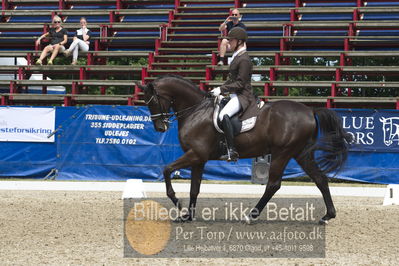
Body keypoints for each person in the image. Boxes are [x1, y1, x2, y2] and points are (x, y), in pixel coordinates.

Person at [210, 27, 254, 161]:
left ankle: (232, 150)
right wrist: (222, 90)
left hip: (243, 96)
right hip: (235, 94)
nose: (229, 43)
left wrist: (222, 90)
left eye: (231, 40)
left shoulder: (244, 59)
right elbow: (232, 80)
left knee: (224, 115)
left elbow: (240, 83)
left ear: (239, 41)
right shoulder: (237, 57)